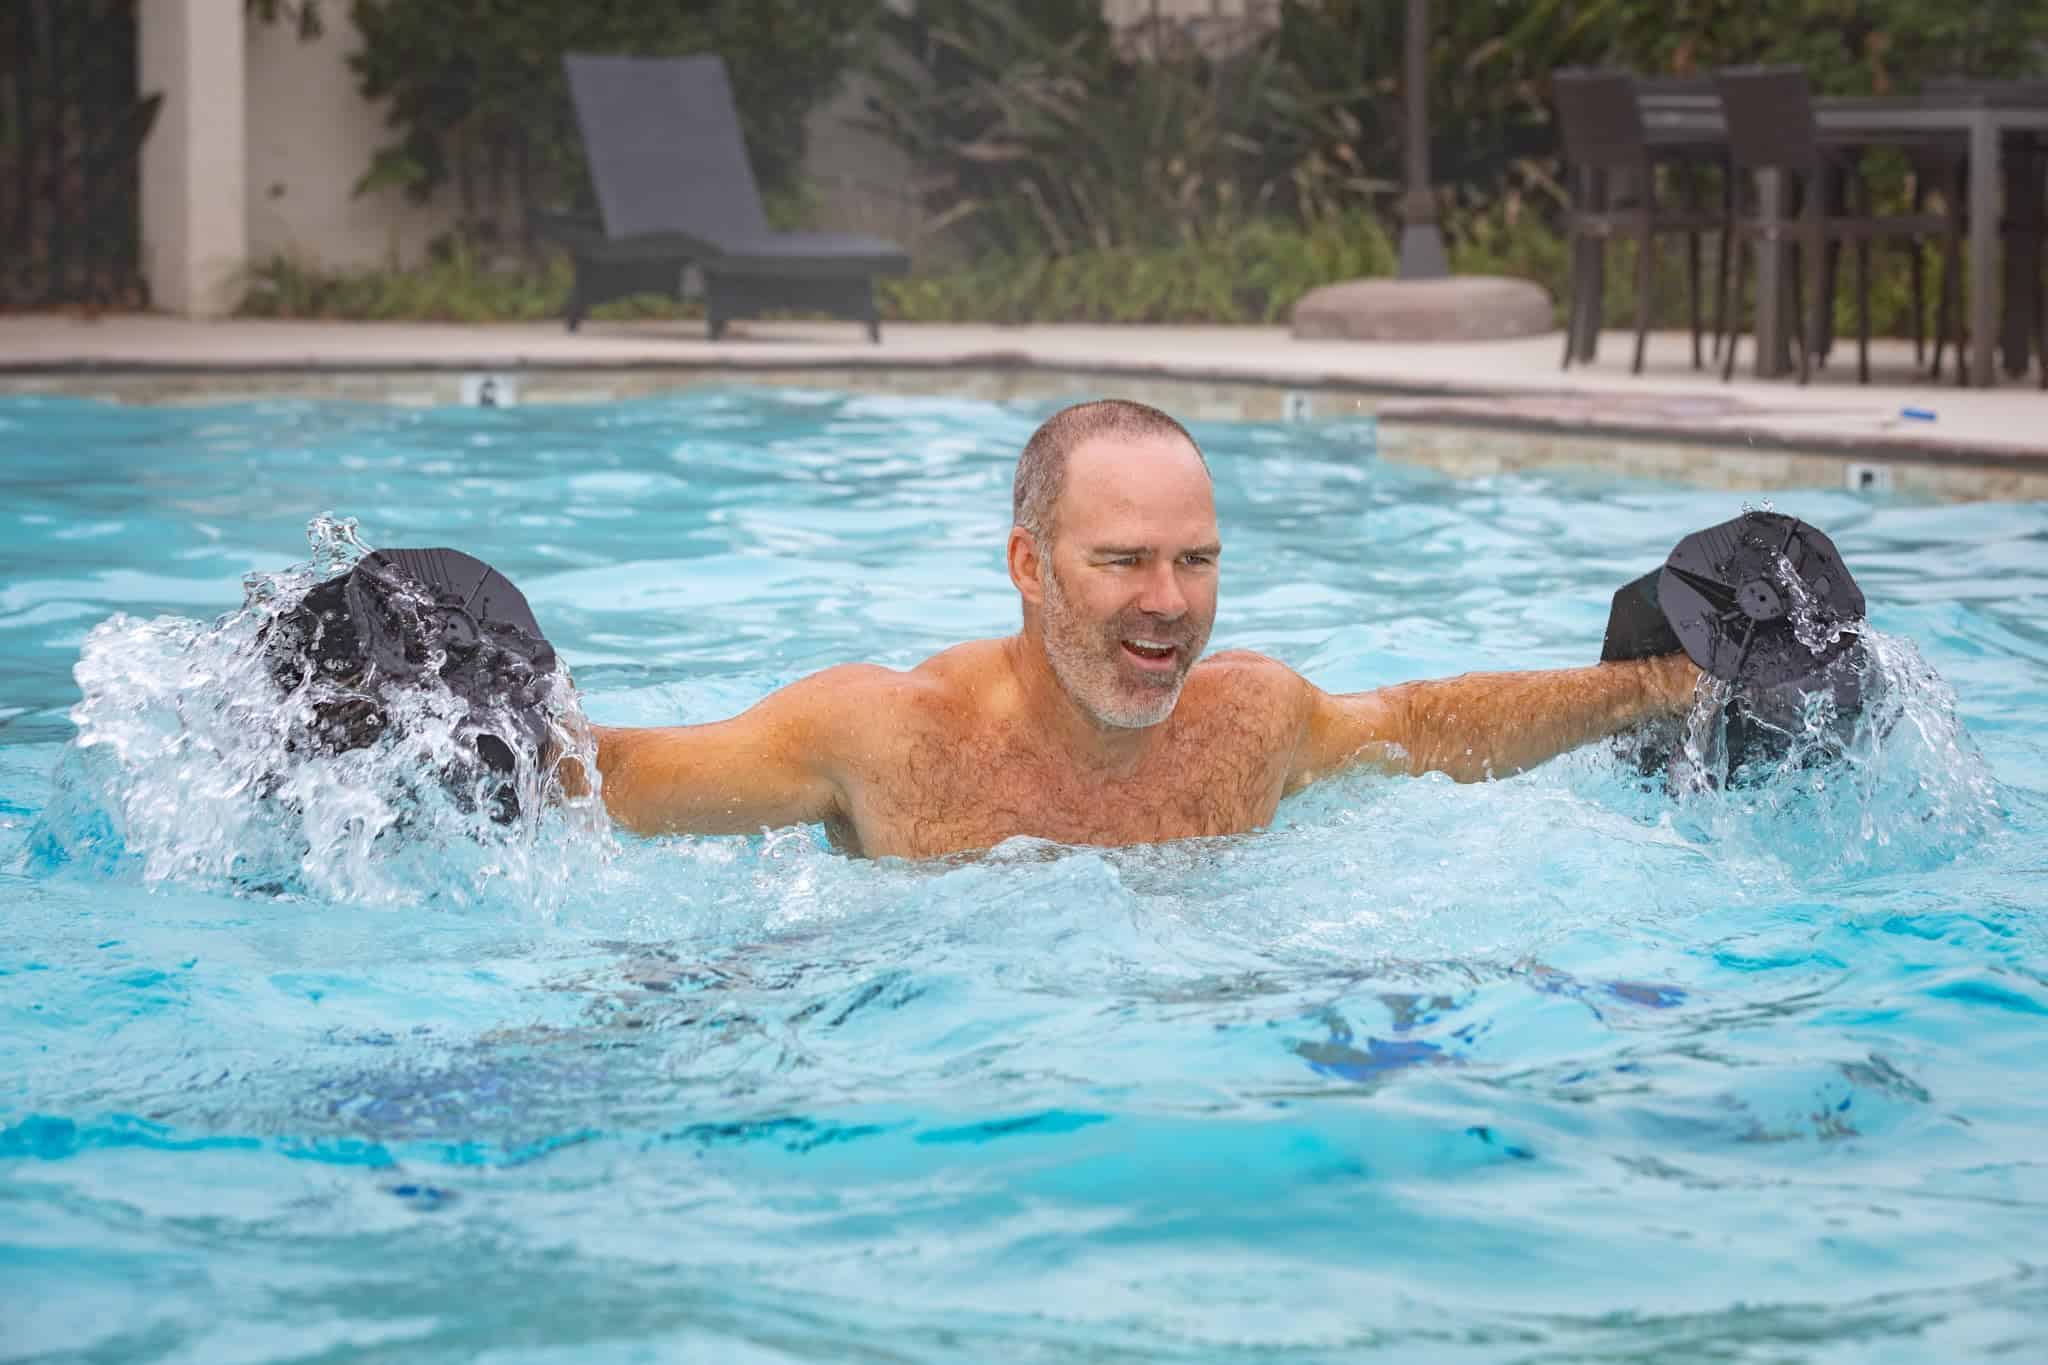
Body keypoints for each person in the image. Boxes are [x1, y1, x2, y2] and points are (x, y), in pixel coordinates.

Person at [577, 399, 1700, 859]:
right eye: (1121, 560)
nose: (1167, 601)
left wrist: (1660, 686)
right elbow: (623, 779)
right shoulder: (884, 736)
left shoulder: (1251, 719)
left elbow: (1424, 728)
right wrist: (449, 720)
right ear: (1028, 565)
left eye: (1195, 561)